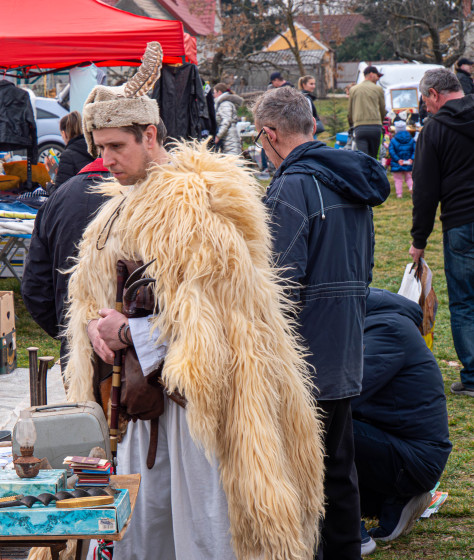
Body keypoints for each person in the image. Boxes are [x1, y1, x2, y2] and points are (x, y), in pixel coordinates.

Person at [64, 42, 325, 560]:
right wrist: (100, 332)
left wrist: (128, 332)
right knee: (144, 529)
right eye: (100, 146)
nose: (105, 160)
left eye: (117, 146)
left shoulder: (197, 205)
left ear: (151, 134)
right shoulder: (121, 207)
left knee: (205, 531)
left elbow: (222, 321)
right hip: (139, 406)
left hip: (199, 409)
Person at [254, 85, 390, 559]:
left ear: (268, 134)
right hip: (345, 346)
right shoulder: (352, 180)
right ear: (311, 126)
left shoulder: (293, 186)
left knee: (302, 467)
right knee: (337, 464)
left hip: (304, 354)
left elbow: (277, 283)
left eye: (260, 142)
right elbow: (367, 268)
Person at [353, 288, 452, 545]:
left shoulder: (388, 329)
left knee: (328, 429)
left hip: (415, 459)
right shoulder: (379, 322)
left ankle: (348, 533)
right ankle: (395, 500)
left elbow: (348, 394)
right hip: (407, 450)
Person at [409, 67, 474, 398]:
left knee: (464, 300)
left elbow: (424, 191)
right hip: (462, 220)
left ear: (434, 93)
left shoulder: (433, 131)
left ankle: (473, 377)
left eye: (425, 99)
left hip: (462, 222)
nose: (425, 107)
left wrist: (419, 240)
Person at [22, 158, 110, 365]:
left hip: (84, 341)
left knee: (80, 396)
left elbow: (35, 286)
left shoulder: (59, 197)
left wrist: (66, 328)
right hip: (132, 347)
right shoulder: (142, 193)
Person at [45, 111, 94, 192]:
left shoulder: (68, 156)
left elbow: (59, 193)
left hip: (78, 200)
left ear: (64, 134)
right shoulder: (95, 148)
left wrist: (48, 186)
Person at [348, 66, 387, 159]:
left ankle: (364, 173)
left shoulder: (353, 89)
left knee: (363, 158)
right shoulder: (378, 89)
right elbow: (382, 109)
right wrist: (380, 122)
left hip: (359, 127)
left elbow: (350, 111)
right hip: (375, 127)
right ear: (371, 74)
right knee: (373, 158)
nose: (378, 79)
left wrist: (352, 125)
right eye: (377, 76)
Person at [212, 83, 243, 155]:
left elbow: (226, 121)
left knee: (233, 162)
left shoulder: (225, 104)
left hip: (230, 139)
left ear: (219, 92)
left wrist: (218, 136)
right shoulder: (222, 104)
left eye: (214, 92)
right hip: (227, 139)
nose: (213, 95)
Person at [388, 121, 415, 198]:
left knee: (398, 180)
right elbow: (415, 150)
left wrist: (397, 160)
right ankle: (411, 188)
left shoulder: (393, 140)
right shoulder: (411, 139)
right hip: (408, 162)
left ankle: (399, 194)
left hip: (397, 163)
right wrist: (411, 159)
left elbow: (391, 151)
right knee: (409, 177)